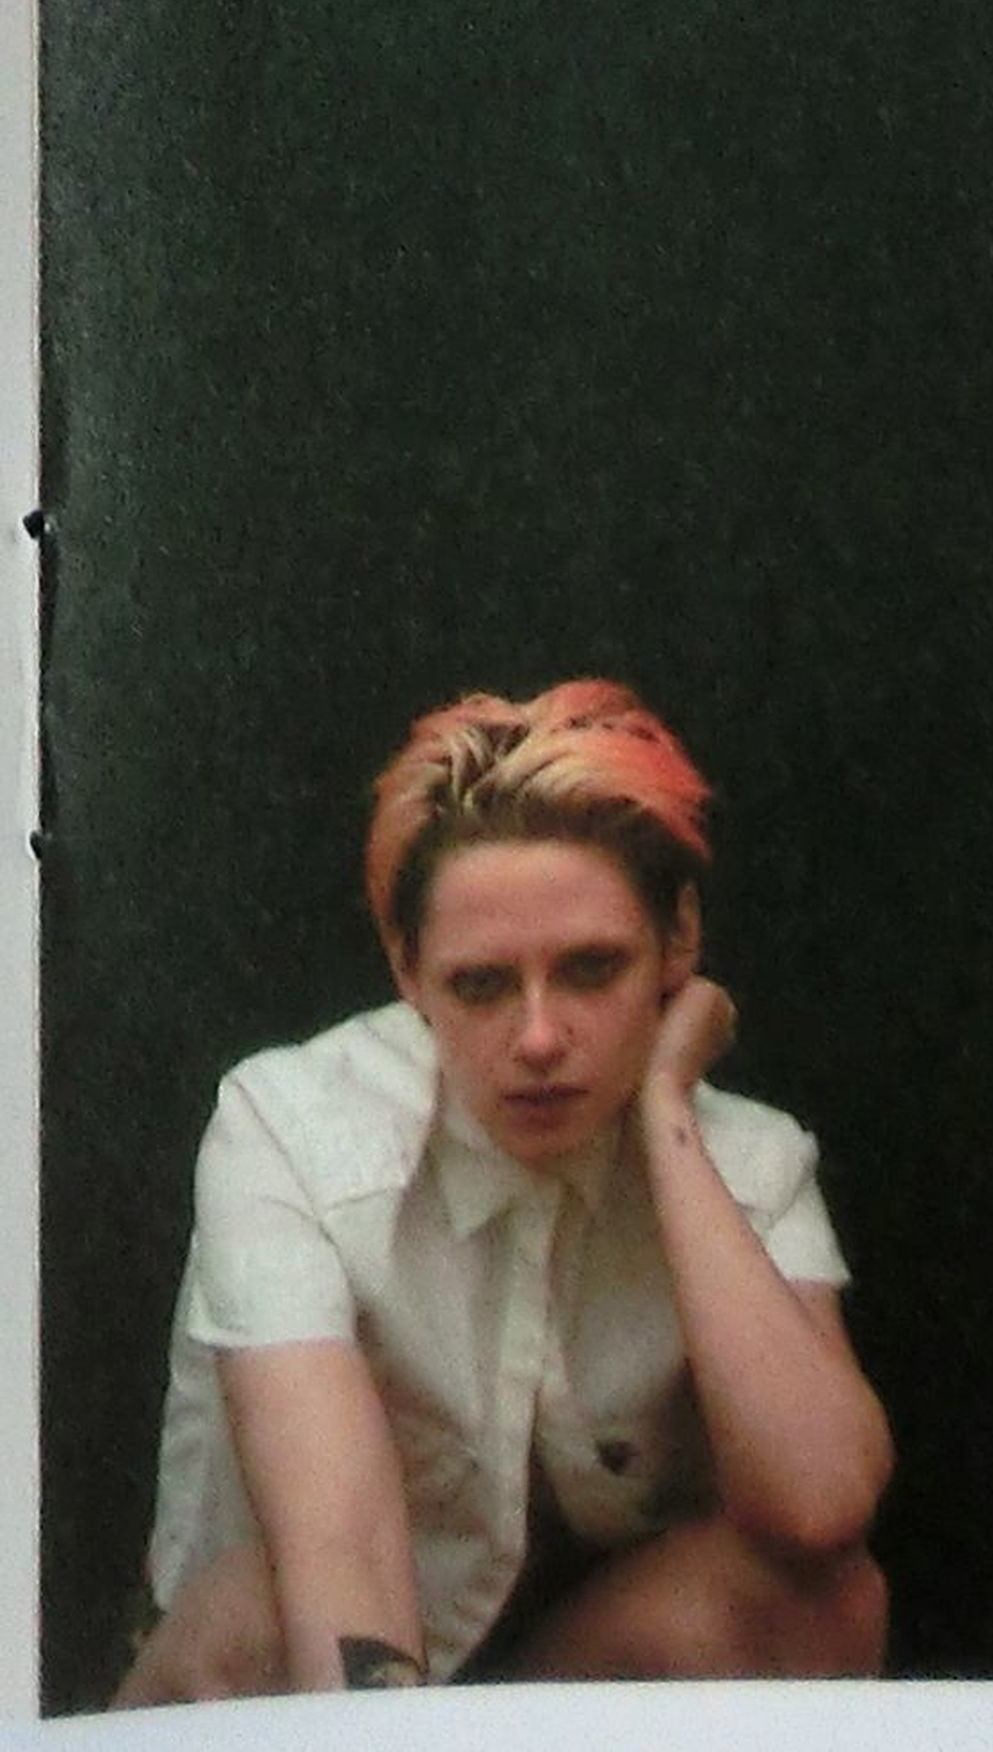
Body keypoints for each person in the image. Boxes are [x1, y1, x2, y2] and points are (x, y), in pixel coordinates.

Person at [113, 678, 894, 1704]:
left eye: (591, 970)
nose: (537, 1038)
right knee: (251, 1624)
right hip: (316, 1672)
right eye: (481, 985)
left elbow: (819, 1504)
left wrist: (666, 1112)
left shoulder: (748, 1157)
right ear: (407, 969)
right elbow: (338, 1549)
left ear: (677, 943)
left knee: (812, 1603)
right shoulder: (288, 1126)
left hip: (554, 1672)